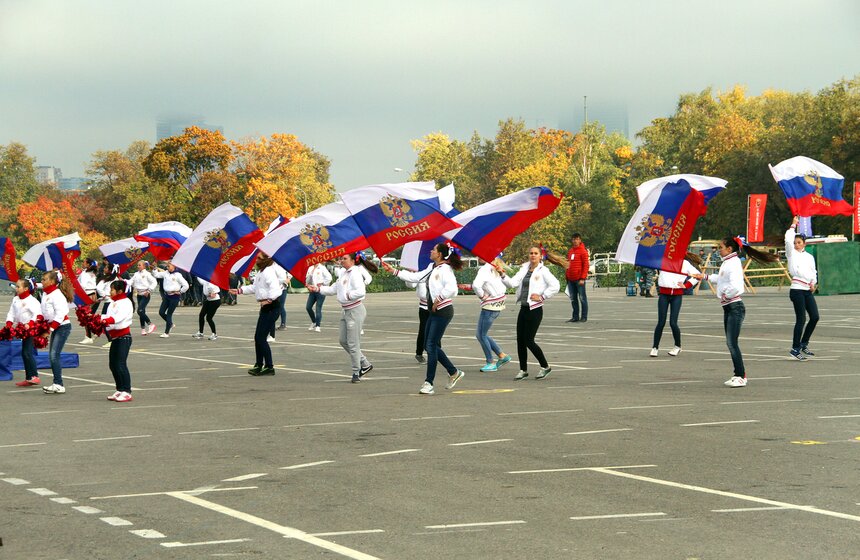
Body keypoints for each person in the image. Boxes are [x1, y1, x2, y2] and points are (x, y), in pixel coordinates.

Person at [693, 237, 778, 387]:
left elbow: (736, 286)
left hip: (735, 307)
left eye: (721, 247)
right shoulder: (728, 262)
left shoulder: (733, 263)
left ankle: (741, 375)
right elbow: (721, 279)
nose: (719, 249)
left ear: (729, 249)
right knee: (731, 342)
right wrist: (704, 276)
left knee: (732, 343)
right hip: (728, 306)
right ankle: (737, 374)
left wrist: (725, 294)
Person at [383, 243, 465, 395]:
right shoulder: (432, 267)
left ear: (440, 254)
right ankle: (453, 372)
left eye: (434, 249)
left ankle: (429, 382)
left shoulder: (445, 270)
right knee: (429, 345)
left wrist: (438, 299)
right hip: (434, 311)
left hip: (443, 310)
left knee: (431, 345)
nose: (431, 251)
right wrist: (394, 271)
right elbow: (416, 277)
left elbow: (452, 289)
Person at [309, 252, 375, 383]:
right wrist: (317, 289)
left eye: (344, 258)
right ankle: (365, 364)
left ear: (352, 260)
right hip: (346, 310)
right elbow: (334, 289)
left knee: (353, 342)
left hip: (355, 310)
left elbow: (361, 292)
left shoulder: (355, 273)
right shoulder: (344, 273)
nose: (341, 260)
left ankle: (356, 372)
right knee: (343, 340)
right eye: (341, 258)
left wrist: (347, 296)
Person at [501, 246, 561, 380]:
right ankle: (523, 370)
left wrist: (542, 296)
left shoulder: (543, 271)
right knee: (520, 341)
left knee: (529, 340)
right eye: (531, 253)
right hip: (523, 308)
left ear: (540, 256)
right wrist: (502, 274)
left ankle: (545, 367)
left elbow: (555, 285)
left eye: (535, 253)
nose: (533, 255)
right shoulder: (524, 269)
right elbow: (512, 283)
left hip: (535, 310)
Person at [230, 254, 283, 376]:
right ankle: (259, 364)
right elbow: (255, 287)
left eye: (259, 258)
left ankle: (269, 366)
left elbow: (275, 289)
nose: (256, 260)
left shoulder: (268, 272)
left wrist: (268, 300)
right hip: (266, 308)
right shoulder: (261, 272)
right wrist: (239, 290)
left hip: (271, 307)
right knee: (258, 337)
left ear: (266, 260)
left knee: (260, 338)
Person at [650, 252, 702, 357]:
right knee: (661, 322)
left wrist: (686, 285)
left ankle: (677, 346)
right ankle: (655, 347)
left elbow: (698, 276)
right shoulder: (663, 261)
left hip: (677, 296)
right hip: (664, 295)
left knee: (673, 323)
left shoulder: (684, 263)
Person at [786, 216, 819, 360]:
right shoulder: (791, 253)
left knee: (815, 317)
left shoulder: (809, 257)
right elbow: (788, 239)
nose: (796, 244)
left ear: (804, 243)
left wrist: (813, 283)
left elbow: (813, 272)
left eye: (799, 242)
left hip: (806, 290)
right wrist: (793, 225)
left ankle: (803, 344)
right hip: (796, 289)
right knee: (801, 319)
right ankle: (795, 348)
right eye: (795, 242)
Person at [471, 257, 512, 372]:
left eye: (480, 255)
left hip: (490, 306)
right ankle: (501, 355)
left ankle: (490, 362)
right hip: (498, 304)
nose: (478, 257)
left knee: (481, 335)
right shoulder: (495, 267)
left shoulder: (484, 269)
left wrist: (481, 296)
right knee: (482, 334)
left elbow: (476, 285)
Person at [39, 270, 74, 394]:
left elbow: (61, 314)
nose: (42, 281)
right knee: (53, 355)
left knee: (54, 355)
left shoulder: (57, 294)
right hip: (55, 326)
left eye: (44, 279)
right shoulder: (46, 293)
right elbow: (44, 312)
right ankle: (57, 383)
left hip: (62, 326)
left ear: (52, 281)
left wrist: (49, 330)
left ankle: (58, 384)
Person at [101, 280, 134, 402]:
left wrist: (106, 321)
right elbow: (106, 316)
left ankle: (127, 391)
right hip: (115, 337)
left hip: (123, 337)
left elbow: (119, 317)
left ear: (120, 291)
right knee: (113, 364)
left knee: (120, 364)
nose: (110, 292)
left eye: (112, 289)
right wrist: (96, 319)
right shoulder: (112, 303)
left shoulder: (125, 302)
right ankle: (119, 389)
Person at [6, 279, 42, 387]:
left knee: (27, 352)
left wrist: (30, 324)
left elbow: (38, 315)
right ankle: (28, 378)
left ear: (26, 288)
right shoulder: (16, 299)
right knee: (24, 353)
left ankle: (34, 376)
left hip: (30, 329)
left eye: (18, 287)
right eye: (16, 286)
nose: (16, 288)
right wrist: (9, 324)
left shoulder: (32, 301)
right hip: (21, 330)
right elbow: (11, 313)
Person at [153, 262, 189, 338]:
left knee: (169, 314)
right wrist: (154, 268)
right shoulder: (165, 273)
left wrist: (180, 291)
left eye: (169, 265)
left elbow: (186, 285)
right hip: (167, 296)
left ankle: (166, 333)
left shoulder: (178, 275)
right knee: (161, 312)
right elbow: (156, 275)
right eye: (167, 265)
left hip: (175, 296)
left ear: (174, 266)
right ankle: (170, 323)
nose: (167, 266)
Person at [565, 233, 589, 322]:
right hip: (570, 279)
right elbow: (568, 264)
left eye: (577, 239)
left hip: (579, 279)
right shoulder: (571, 251)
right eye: (574, 239)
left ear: (580, 240)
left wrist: (582, 278)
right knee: (573, 298)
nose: (575, 241)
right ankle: (575, 317)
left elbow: (586, 265)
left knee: (582, 298)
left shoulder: (583, 251)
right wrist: (567, 275)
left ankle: (584, 317)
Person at [130, 261, 158, 335]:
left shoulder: (147, 274)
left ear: (144, 266)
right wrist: (124, 281)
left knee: (140, 311)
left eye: (139, 265)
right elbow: (131, 282)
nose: (138, 266)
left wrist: (149, 290)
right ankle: (143, 329)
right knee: (142, 312)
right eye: (137, 265)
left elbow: (154, 282)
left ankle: (150, 324)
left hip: (145, 294)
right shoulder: (136, 274)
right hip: (139, 294)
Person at [305, 262, 332, 332]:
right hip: (313, 290)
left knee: (318, 307)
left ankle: (318, 325)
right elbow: (307, 281)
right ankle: (314, 321)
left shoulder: (322, 268)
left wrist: (322, 283)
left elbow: (329, 278)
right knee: (308, 307)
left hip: (321, 291)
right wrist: (310, 275)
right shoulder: (310, 268)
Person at [78, 259, 99, 344]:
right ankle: (92, 333)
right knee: (88, 316)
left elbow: (82, 285)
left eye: (84, 262)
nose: (82, 263)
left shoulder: (86, 273)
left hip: (88, 295)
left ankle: (89, 336)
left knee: (85, 316)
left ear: (88, 264)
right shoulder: (91, 273)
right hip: (92, 294)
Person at [271, 263, 291, 337]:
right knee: (272, 306)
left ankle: (283, 324)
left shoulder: (284, 264)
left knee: (281, 306)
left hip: (282, 288)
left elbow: (289, 276)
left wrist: (285, 284)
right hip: (274, 288)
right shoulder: (272, 265)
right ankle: (271, 324)